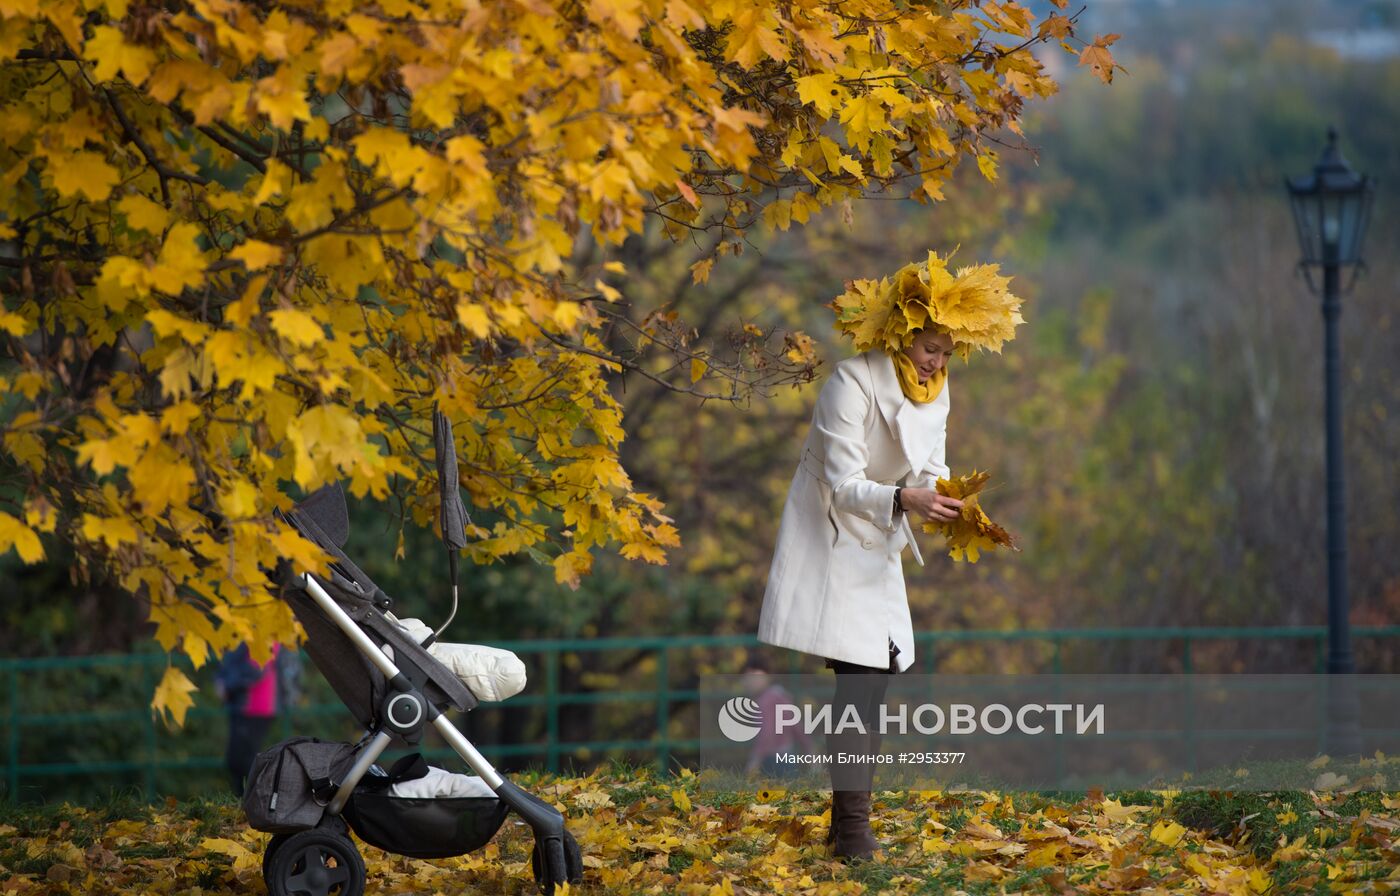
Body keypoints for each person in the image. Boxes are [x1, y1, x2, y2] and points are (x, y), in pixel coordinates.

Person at [756, 253, 1022, 860]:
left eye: (947, 352)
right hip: (832, 533)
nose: (937, 361)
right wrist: (908, 498)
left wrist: (954, 502)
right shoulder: (850, 384)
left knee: (873, 678)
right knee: (863, 682)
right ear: (905, 334)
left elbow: (933, 464)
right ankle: (852, 832)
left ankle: (844, 826)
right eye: (931, 347)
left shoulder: (937, 392)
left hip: (880, 539)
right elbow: (845, 484)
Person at [215, 642, 283, 797]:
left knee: (244, 760)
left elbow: (257, 667)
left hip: (256, 705)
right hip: (244, 705)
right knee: (237, 760)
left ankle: (255, 802)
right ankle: (247, 802)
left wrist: (227, 685)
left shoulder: (263, 633)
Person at [741, 661, 819, 778]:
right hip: (786, 759)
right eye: (746, 678)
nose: (749, 682)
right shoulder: (780, 695)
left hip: (772, 761)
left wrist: (754, 761)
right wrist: (811, 751)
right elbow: (798, 728)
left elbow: (767, 734)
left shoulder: (767, 700)